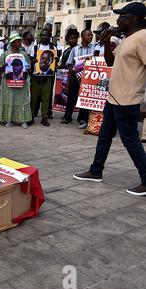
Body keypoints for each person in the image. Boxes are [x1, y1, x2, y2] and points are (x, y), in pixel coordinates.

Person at [73, 2, 146, 196]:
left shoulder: (142, 38)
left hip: (128, 99)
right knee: (104, 136)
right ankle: (96, 171)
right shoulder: (127, 39)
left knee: (130, 140)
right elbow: (110, 62)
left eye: (122, 16)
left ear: (134, 18)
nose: (118, 19)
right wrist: (106, 41)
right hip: (113, 98)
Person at [0, 31, 32, 129]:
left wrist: (26, 69)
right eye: (17, 41)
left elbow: (29, 68)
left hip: (21, 81)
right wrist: (4, 66)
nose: (19, 42)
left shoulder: (24, 54)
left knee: (22, 100)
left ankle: (23, 120)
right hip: (8, 81)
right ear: (12, 42)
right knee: (9, 100)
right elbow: (0, 68)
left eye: (19, 40)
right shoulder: (5, 54)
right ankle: (9, 120)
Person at [65, 29, 95, 128]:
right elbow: (70, 63)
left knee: (84, 96)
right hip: (75, 76)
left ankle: (82, 119)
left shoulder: (94, 48)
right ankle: (67, 117)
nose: (90, 37)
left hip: (88, 76)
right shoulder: (75, 49)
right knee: (71, 96)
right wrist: (71, 76)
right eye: (88, 35)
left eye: (91, 35)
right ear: (82, 37)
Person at [29, 29, 57, 126]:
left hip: (47, 77)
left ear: (50, 37)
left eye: (46, 36)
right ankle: (31, 116)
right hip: (35, 77)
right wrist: (33, 62)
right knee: (33, 98)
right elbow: (31, 60)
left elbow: (55, 62)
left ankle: (44, 117)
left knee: (46, 98)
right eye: (42, 36)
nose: (44, 37)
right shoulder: (36, 47)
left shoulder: (53, 47)